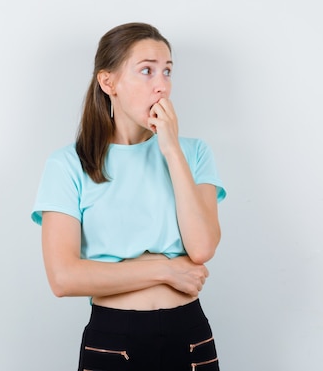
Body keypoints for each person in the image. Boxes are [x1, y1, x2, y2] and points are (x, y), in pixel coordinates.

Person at [31, 22, 226, 371]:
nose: (161, 85)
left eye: (167, 72)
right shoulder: (68, 164)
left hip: (189, 333)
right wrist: (166, 271)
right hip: (113, 340)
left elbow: (201, 248)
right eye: (147, 71)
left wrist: (171, 149)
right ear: (109, 82)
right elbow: (63, 278)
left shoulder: (194, 153)